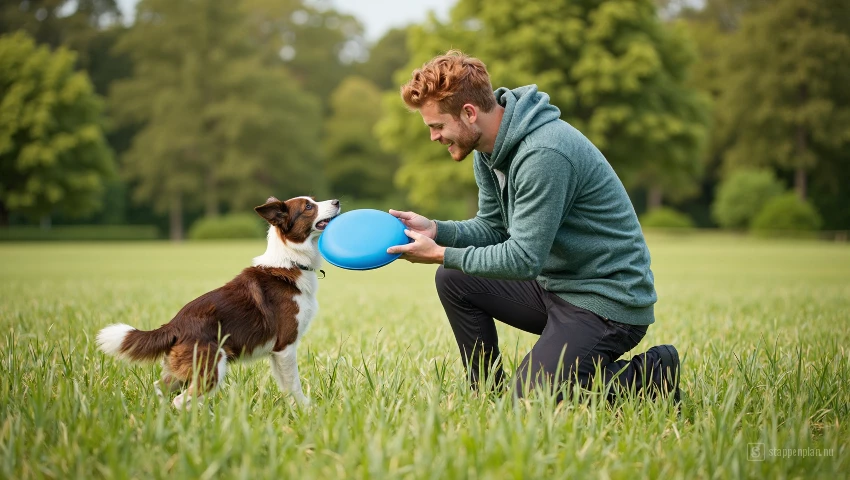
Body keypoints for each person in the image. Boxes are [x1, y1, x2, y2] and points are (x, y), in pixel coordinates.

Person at [386, 50, 680, 403]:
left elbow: (523, 258)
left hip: (606, 301)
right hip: (555, 287)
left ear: (469, 113)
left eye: (437, 126)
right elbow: (493, 228)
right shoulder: (488, 149)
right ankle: (487, 393)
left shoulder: (545, 154)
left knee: (531, 400)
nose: (434, 137)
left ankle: (652, 374)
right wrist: (436, 230)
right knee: (454, 279)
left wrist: (440, 253)